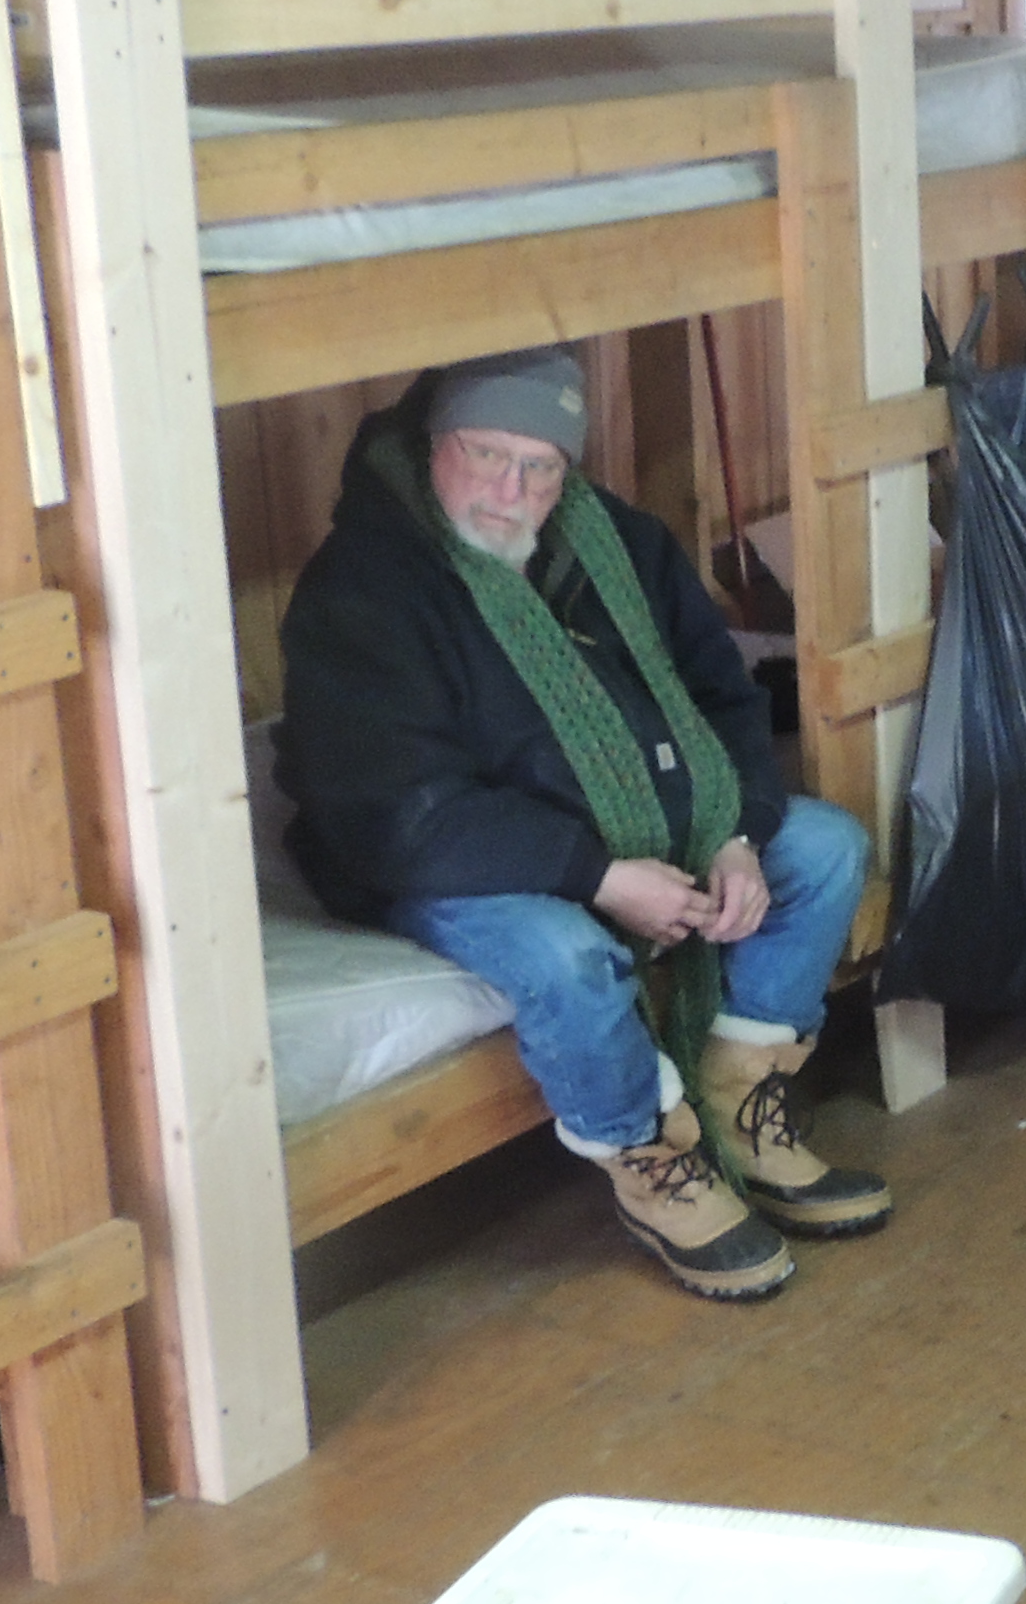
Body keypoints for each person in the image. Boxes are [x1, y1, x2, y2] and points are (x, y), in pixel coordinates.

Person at [278, 346, 891, 1303]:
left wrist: (734, 832)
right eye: (486, 455)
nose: (509, 491)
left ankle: (736, 1099)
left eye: (540, 467)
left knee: (825, 848)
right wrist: (598, 875)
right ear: (434, 444)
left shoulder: (622, 546)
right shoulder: (364, 588)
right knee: (567, 956)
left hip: (643, 822)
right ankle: (650, 1157)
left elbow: (720, 692)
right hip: (451, 855)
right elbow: (397, 814)